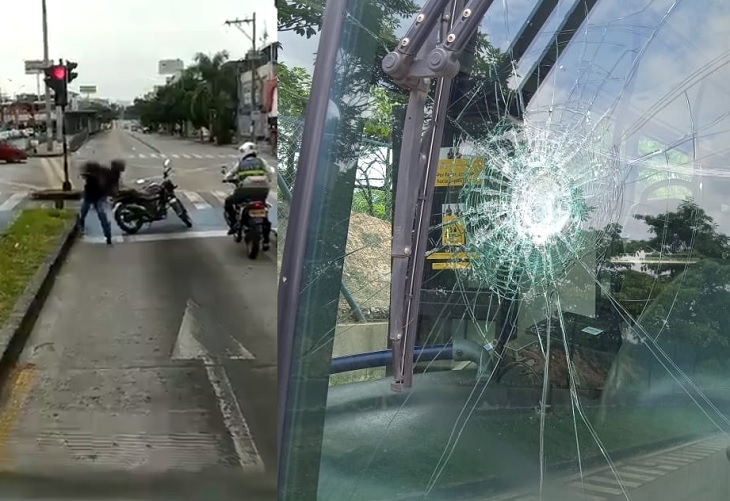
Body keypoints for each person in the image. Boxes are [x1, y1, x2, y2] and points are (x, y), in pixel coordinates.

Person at [223, 141, 272, 249]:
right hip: (263, 191)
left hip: (245, 191)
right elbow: (270, 173)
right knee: (263, 209)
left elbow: (230, 174)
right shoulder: (262, 161)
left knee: (229, 202)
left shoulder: (241, 163)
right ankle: (266, 241)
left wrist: (225, 179)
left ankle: (234, 225)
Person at [77, 160, 113, 245]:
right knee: (86, 213)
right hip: (92, 195)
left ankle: (108, 235)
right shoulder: (94, 175)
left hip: (97, 196)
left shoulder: (98, 175)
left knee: (99, 214)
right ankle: (107, 234)